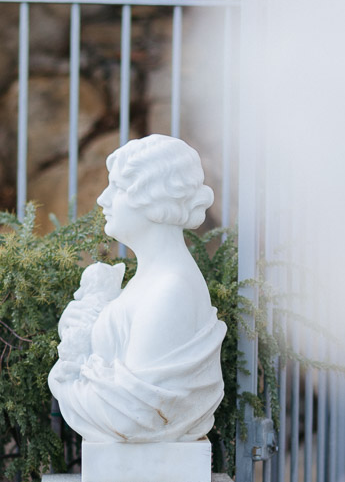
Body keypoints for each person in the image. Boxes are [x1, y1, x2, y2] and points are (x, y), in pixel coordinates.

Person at [48, 134, 226, 443]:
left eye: (116, 188)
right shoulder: (149, 280)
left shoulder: (170, 290)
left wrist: (69, 372)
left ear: (154, 200)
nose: (102, 199)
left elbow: (133, 417)